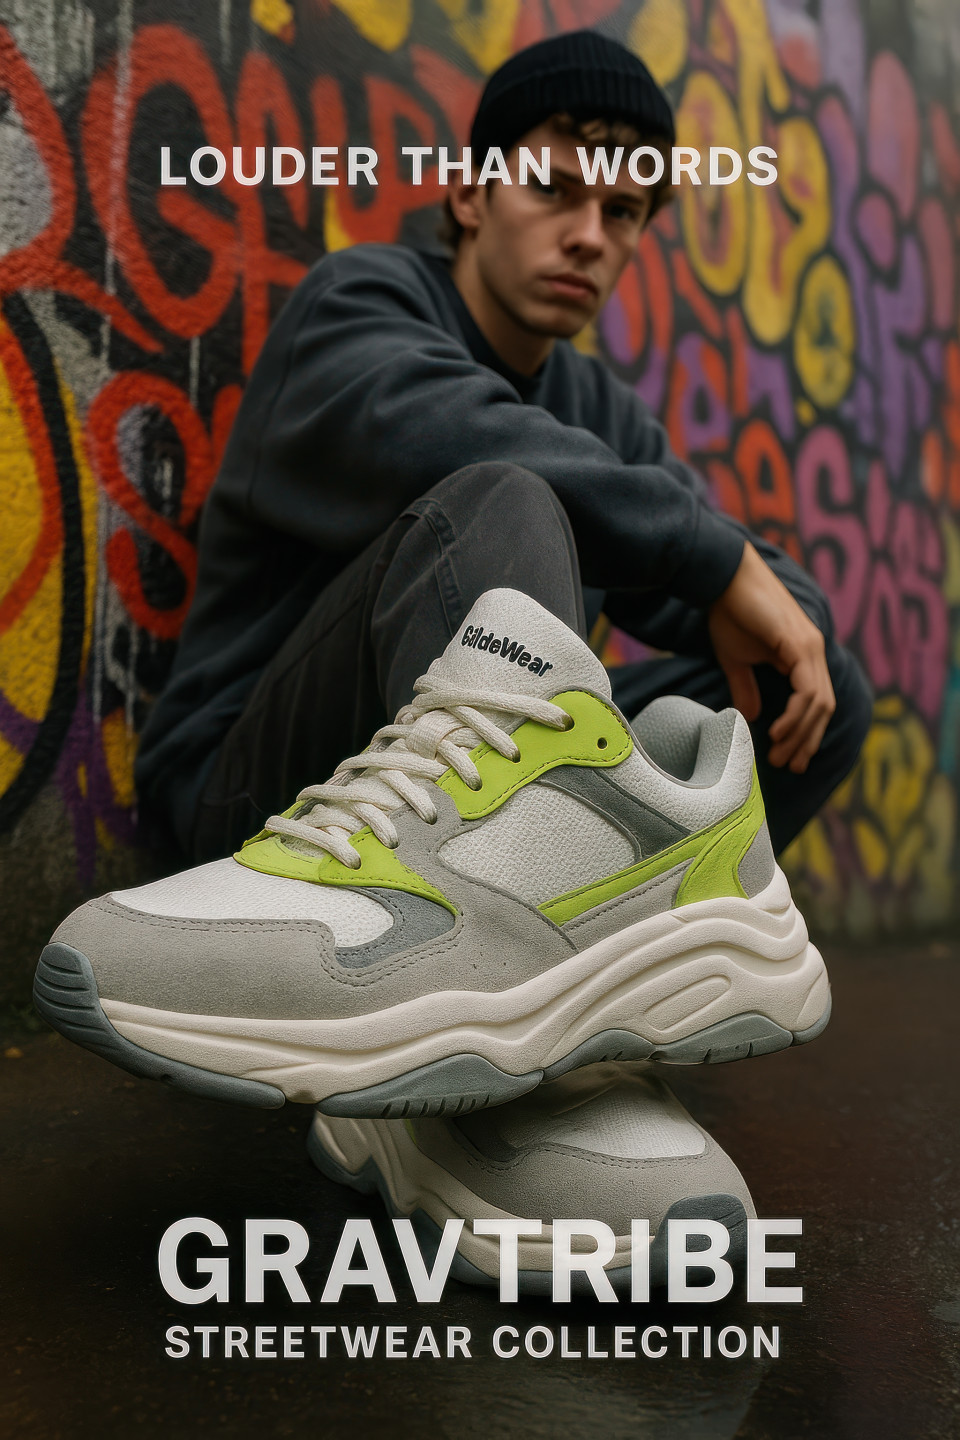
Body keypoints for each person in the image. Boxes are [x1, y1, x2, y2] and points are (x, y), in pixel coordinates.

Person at [134, 29, 872, 868]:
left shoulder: (595, 411)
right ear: (472, 197)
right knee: (504, 497)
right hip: (260, 797)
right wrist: (710, 554)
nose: (589, 235)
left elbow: (764, 597)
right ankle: (522, 929)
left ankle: (617, 925)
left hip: (478, 784)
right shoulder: (355, 305)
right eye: (554, 190)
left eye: (621, 212)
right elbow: (455, 433)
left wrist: (749, 587)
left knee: (817, 692)